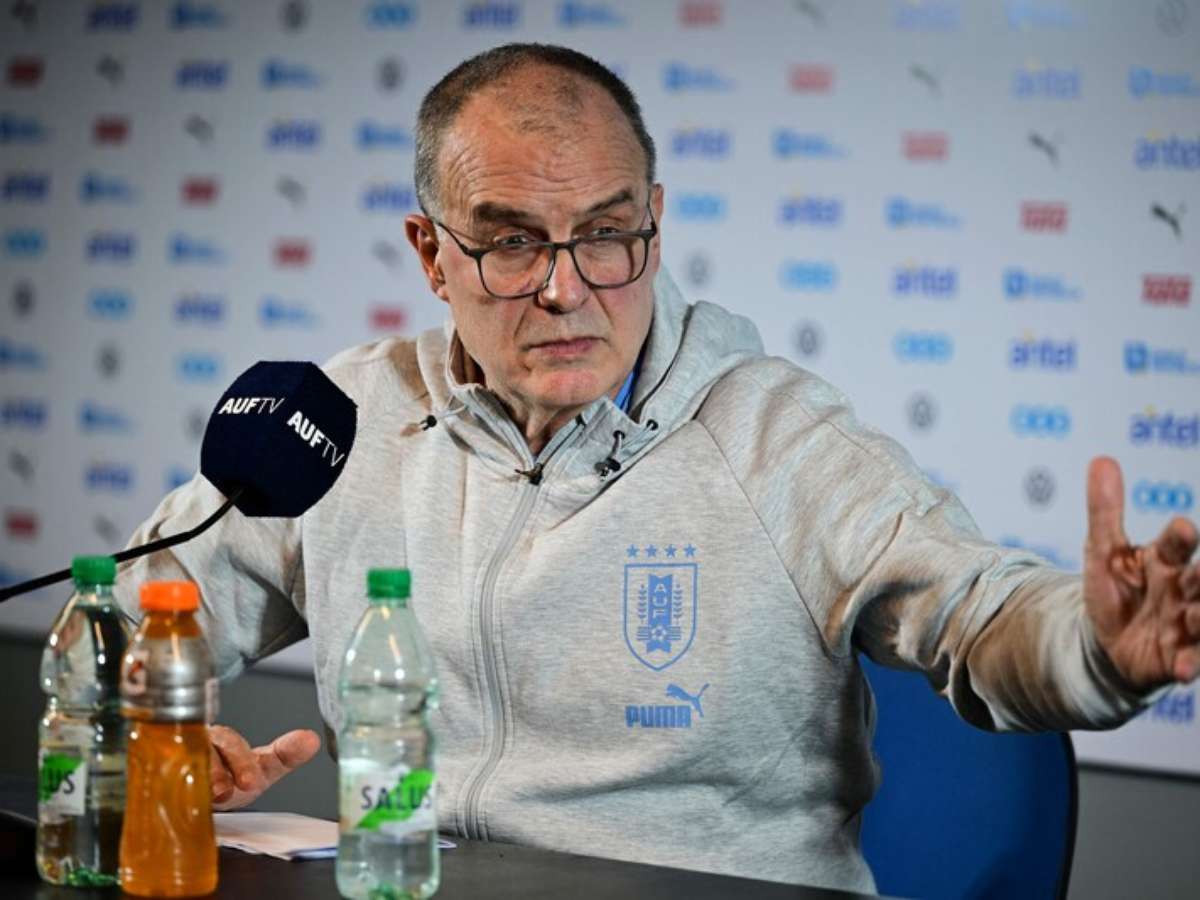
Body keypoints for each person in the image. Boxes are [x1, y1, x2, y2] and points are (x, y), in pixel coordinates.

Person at [117, 44, 1200, 892]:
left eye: (605, 234)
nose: (566, 289)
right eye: (511, 242)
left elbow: (983, 613)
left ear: (655, 223)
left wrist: (1102, 646)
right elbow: (130, 616)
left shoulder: (776, 438)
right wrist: (158, 726)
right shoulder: (340, 423)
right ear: (431, 254)